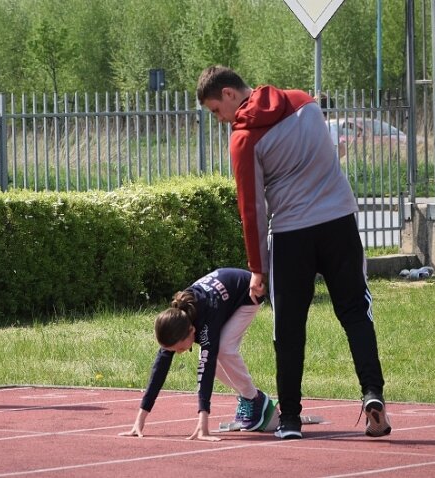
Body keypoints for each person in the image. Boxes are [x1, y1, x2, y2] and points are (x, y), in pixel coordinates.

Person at [196, 66, 391, 440]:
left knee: (288, 328)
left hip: (291, 236)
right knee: (355, 313)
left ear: (229, 95)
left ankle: (289, 420)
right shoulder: (305, 103)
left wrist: (257, 268)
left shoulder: (244, 139)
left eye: (215, 110)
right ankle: (372, 393)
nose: (220, 119)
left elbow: (252, 209)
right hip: (339, 222)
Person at [119, 268, 269, 441]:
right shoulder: (176, 320)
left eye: (180, 349)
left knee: (223, 350)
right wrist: (139, 421)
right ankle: (249, 397)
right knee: (213, 358)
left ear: (192, 330)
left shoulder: (206, 322)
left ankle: (255, 400)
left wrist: (203, 425)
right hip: (222, 300)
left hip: (247, 292)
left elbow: (205, 370)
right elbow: (158, 372)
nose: (179, 353)